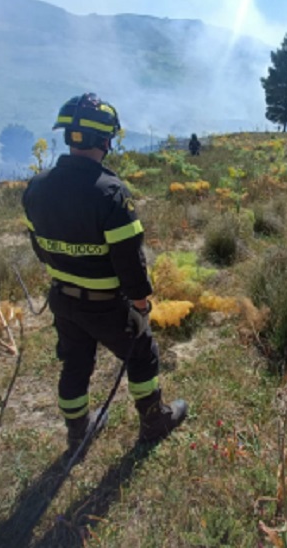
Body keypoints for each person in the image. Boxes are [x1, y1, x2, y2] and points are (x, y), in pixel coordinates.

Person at [22, 92, 188, 453]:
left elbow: (38, 245)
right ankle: (153, 421)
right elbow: (129, 258)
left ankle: (78, 432)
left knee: (75, 363)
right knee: (142, 353)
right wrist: (142, 304)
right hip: (107, 304)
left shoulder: (36, 187)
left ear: (68, 136)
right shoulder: (110, 192)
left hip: (63, 299)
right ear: (105, 140)